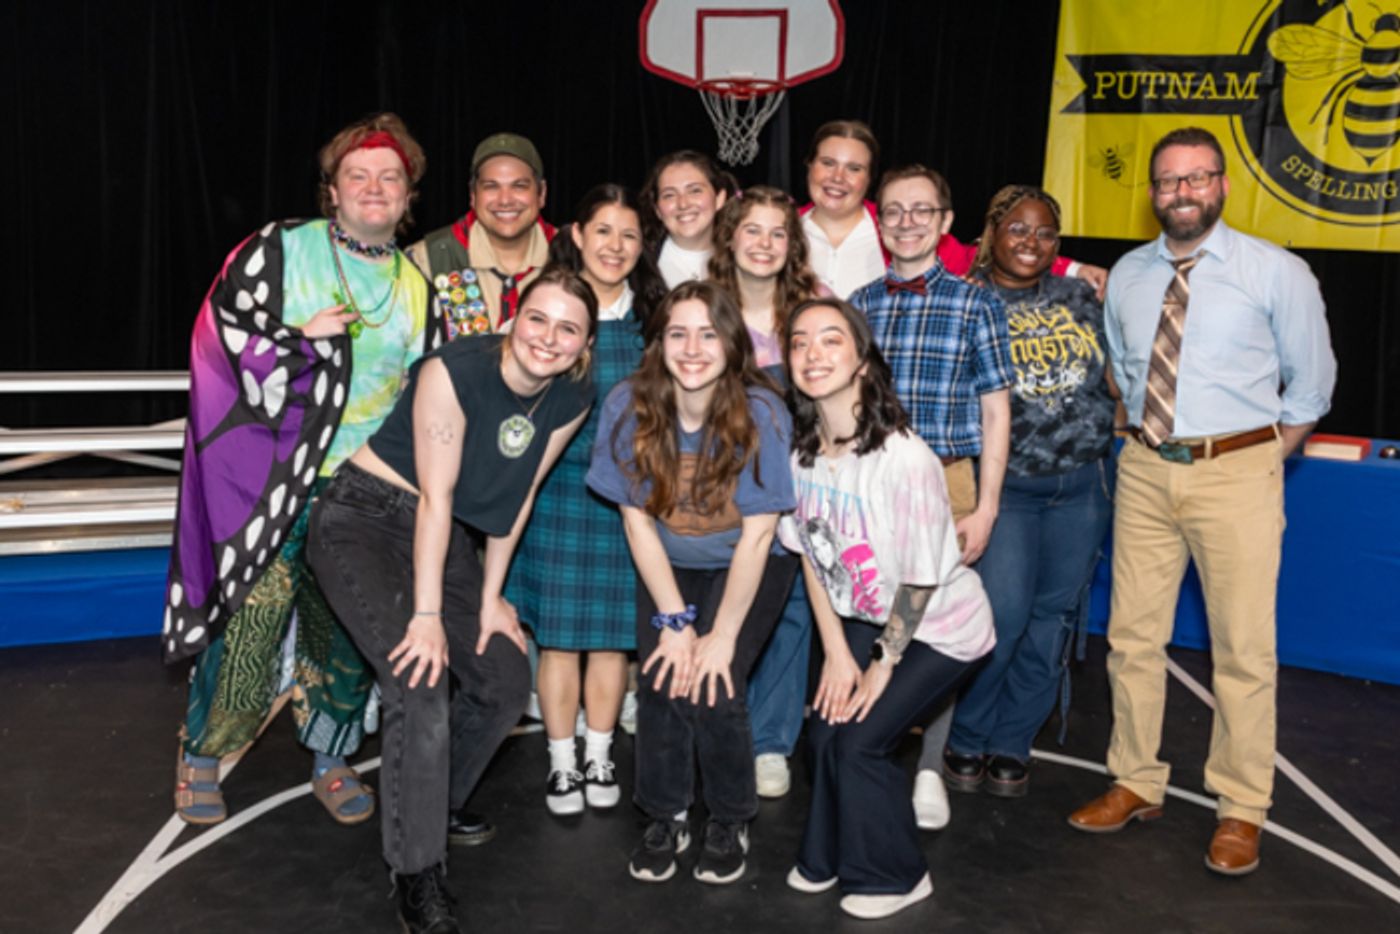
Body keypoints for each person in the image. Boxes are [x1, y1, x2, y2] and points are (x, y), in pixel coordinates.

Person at [1067, 127, 1336, 876]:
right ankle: (1134, 778)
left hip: (1238, 471)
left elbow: (1311, 383)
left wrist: (1257, 460)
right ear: (1152, 191)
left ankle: (1242, 807)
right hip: (1147, 469)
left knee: (1243, 652)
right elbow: (1125, 367)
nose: (1182, 192)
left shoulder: (1276, 271)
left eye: (1197, 178)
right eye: (1168, 181)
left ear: (1221, 184)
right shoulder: (1127, 272)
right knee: (1132, 637)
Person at [164, 113, 443, 827]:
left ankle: (331, 756)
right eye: (359, 176)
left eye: (391, 177)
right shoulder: (279, 251)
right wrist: (296, 340)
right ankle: (203, 753)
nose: (374, 188)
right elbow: (218, 337)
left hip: (367, 492)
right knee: (251, 625)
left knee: (347, 631)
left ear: (409, 196)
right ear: (333, 189)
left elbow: (428, 398)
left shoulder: (418, 287)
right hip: (269, 485)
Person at [307, 267, 596, 932]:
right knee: (420, 677)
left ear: (583, 346)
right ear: (512, 318)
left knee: (503, 675)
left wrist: (492, 598)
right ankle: (417, 871)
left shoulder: (573, 392)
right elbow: (435, 499)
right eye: (537, 319)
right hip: (363, 519)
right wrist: (429, 617)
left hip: (444, 538)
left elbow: (517, 494)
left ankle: (429, 807)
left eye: (568, 329)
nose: (547, 339)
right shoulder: (451, 369)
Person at [780, 297, 994, 920]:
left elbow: (923, 580)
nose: (812, 354)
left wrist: (879, 664)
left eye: (830, 341)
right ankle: (825, 858)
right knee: (822, 733)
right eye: (799, 342)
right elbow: (812, 562)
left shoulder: (904, 459)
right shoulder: (803, 455)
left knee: (862, 742)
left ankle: (896, 875)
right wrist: (838, 654)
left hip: (940, 628)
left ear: (863, 362)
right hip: (865, 620)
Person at [587, 280, 798, 886]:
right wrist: (676, 623)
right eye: (678, 332)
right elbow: (638, 525)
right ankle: (664, 811)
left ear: (732, 344)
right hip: (670, 560)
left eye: (709, 333)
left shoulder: (763, 411)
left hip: (749, 560)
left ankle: (730, 817)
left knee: (715, 682)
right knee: (661, 679)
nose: (693, 347)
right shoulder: (629, 405)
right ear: (658, 343)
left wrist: (721, 634)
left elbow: (760, 535)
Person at [849, 164, 1011, 829]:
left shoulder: (977, 302)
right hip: (871, 480)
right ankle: (874, 748)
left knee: (935, 625)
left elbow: (996, 408)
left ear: (946, 223)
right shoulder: (859, 303)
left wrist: (988, 503)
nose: (907, 222)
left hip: (948, 480)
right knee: (879, 620)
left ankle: (927, 769)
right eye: (893, 211)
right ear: (878, 221)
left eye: (922, 211)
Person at [944, 185, 1117, 797]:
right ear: (991, 233)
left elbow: (1115, 374)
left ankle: (1013, 740)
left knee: (1054, 620)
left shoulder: (1081, 294)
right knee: (1005, 615)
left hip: (1084, 485)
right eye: (1018, 229)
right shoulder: (964, 300)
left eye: (1046, 233)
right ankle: (966, 733)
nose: (1031, 243)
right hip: (1007, 488)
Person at [505, 185, 665, 815]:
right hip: (555, 496)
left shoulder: (654, 318)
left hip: (628, 502)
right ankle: (562, 763)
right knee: (561, 640)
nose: (616, 247)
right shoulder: (546, 307)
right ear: (576, 233)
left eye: (629, 235)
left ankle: (600, 755)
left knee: (612, 641)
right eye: (603, 231)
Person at [709, 186, 819, 797]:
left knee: (792, 610)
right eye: (753, 229)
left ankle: (772, 742)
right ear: (729, 235)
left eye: (779, 233)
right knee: (724, 606)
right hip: (719, 487)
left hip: (798, 486)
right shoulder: (704, 309)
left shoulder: (813, 309)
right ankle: (721, 726)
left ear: (792, 246)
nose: (765, 243)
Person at [797, 119, 1104, 299]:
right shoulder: (781, 231)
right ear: (809, 165)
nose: (838, 178)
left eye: (854, 168)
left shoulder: (902, 230)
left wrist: (1076, 269)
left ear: (869, 178)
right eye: (827, 163)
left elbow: (995, 254)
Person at [407, 132, 555, 337]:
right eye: (491, 186)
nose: (505, 200)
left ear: (542, 193)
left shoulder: (570, 255)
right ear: (473, 195)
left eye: (519, 186)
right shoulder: (428, 260)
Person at [640, 150, 735, 288]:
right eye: (669, 195)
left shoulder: (741, 262)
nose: (683, 204)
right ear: (657, 210)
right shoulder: (641, 268)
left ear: (719, 199)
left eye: (695, 191)